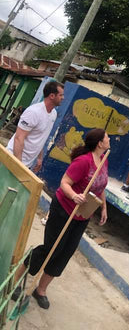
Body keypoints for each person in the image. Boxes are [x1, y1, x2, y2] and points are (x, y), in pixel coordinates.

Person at [13, 128, 110, 309]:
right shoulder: (83, 161)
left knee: (65, 252)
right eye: (107, 138)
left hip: (82, 216)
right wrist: (74, 196)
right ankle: (16, 278)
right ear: (99, 143)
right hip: (64, 210)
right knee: (51, 248)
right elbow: (65, 182)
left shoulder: (104, 160)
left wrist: (103, 206)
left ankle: (40, 290)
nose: (109, 139)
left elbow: (100, 184)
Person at [7, 80, 64, 172]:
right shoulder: (33, 112)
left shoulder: (53, 113)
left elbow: (41, 137)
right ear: (52, 96)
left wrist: (39, 158)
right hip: (13, 158)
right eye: (61, 95)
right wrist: (18, 163)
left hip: (27, 164)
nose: (63, 98)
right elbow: (19, 138)